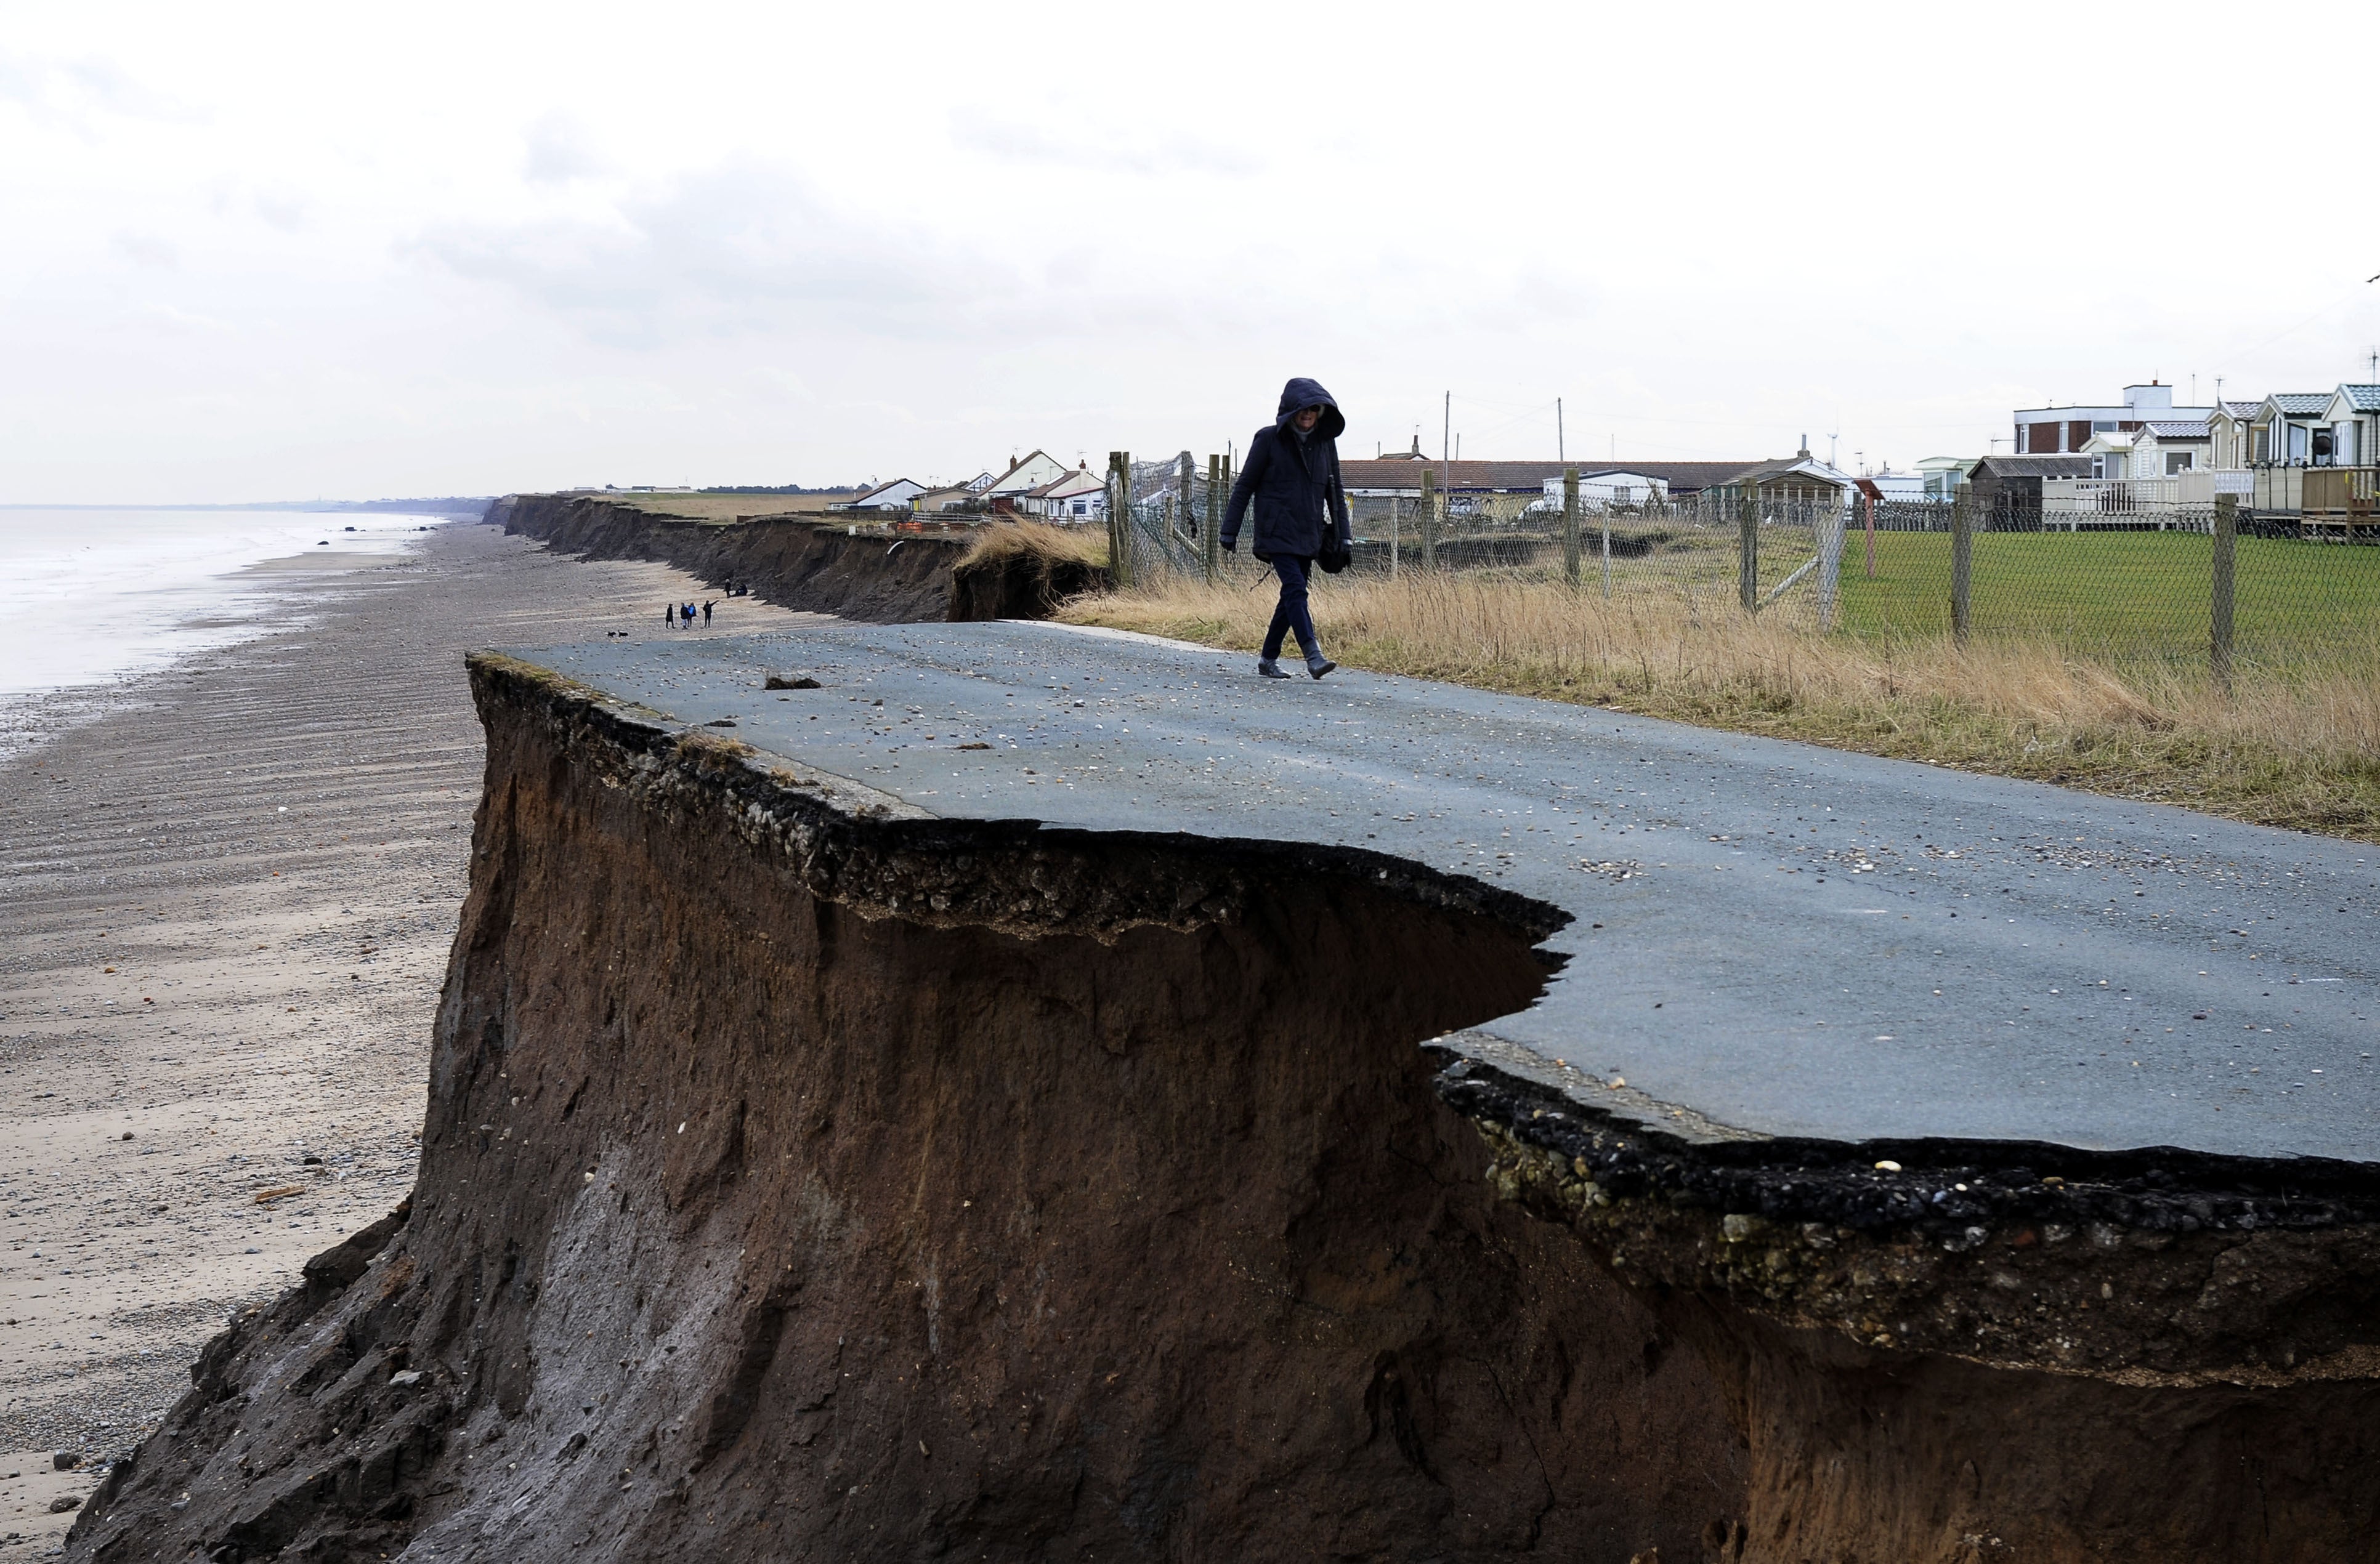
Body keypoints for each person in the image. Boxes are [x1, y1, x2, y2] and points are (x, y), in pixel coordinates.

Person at [1221, 376, 1348, 679]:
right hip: (1276, 532)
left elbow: (1335, 491)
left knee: (1291, 596)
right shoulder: (1268, 439)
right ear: (1291, 411)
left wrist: (1345, 536)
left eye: (1314, 410)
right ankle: (1313, 655)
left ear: (1320, 413)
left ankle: (1268, 659)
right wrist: (1230, 531)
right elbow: (1245, 486)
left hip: (1309, 534)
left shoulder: (1325, 445)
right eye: (1303, 410)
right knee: (1295, 590)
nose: (1308, 415)